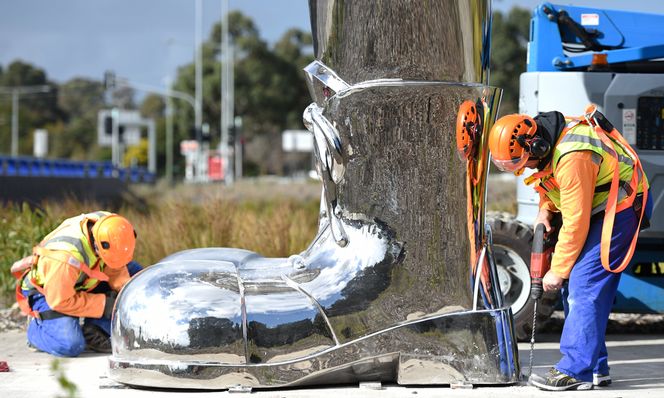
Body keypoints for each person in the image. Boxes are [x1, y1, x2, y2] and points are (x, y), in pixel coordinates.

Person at [488, 105, 651, 391]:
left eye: (523, 162)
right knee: (575, 286)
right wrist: (544, 211)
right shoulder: (544, 147)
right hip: (595, 204)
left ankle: (577, 370)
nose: (524, 168)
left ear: (536, 145)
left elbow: (576, 222)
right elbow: (550, 184)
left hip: (620, 204)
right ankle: (595, 366)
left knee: (584, 283)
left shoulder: (574, 157)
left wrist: (557, 271)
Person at [11, 211, 142, 357]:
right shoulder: (64, 259)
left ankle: (94, 329)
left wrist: (126, 296)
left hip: (82, 280)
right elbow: (61, 301)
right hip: (50, 292)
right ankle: (36, 331)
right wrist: (105, 305)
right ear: (98, 246)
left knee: (137, 278)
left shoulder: (111, 226)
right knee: (70, 344)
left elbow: (116, 267)